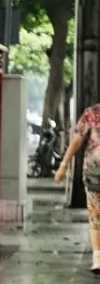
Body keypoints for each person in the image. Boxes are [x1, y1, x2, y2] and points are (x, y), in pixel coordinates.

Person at [55, 103, 100, 273]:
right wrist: (63, 165)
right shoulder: (91, 113)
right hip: (95, 173)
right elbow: (77, 141)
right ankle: (97, 257)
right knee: (95, 213)